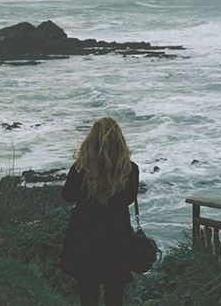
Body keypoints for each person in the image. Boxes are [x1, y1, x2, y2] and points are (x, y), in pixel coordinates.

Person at [59, 117, 139, 306]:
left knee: (88, 295)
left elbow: (68, 196)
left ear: (91, 141)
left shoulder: (80, 169)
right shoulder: (130, 169)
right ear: (120, 142)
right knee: (115, 297)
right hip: (117, 238)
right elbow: (129, 199)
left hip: (85, 237)